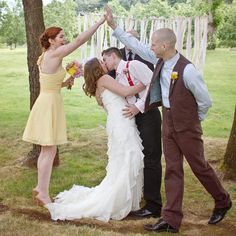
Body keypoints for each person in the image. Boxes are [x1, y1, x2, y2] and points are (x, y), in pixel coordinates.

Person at [105, 6, 232, 233]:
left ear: (164, 46)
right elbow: (136, 45)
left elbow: (205, 101)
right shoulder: (158, 60)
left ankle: (223, 200)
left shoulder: (188, 70)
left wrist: (193, 121)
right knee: (172, 169)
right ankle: (171, 219)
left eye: (153, 44)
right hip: (168, 121)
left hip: (187, 124)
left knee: (199, 167)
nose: (150, 47)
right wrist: (114, 26)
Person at [45, 58, 145, 221]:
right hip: (121, 123)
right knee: (127, 158)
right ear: (98, 68)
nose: (104, 63)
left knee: (121, 160)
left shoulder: (97, 88)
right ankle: (119, 199)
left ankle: (125, 197)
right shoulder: (105, 79)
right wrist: (145, 83)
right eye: (101, 62)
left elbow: (105, 103)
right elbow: (126, 92)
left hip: (115, 122)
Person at [22, 17, 105, 206]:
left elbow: (51, 81)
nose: (64, 39)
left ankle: (40, 188)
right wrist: (98, 22)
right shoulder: (54, 54)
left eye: (63, 36)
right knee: (49, 150)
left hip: (47, 100)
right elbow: (79, 41)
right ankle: (42, 192)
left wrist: (67, 80)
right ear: (51, 41)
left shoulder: (45, 56)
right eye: (60, 37)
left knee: (47, 150)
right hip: (49, 103)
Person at [102, 47, 162, 218]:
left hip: (148, 115)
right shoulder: (118, 76)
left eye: (105, 59)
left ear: (113, 56)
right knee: (140, 157)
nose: (105, 63)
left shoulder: (134, 65)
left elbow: (153, 84)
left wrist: (139, 106)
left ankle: (154, 206)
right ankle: (145, 197)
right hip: (135, 119)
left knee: (151, 158)